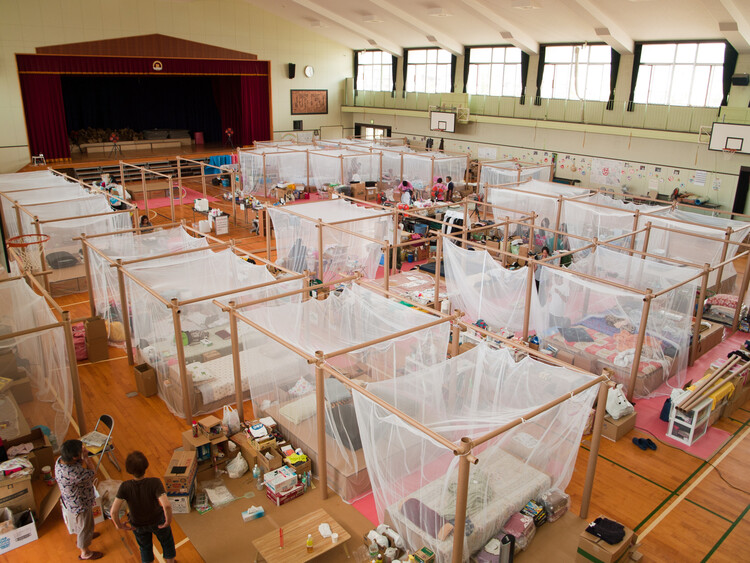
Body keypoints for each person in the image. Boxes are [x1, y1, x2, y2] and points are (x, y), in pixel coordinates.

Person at [111, 451, 176, 563]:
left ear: (129, 470)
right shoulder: (155, 482)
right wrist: (168, 521)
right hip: (157, 520)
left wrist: (119, 525)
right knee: (167, 542)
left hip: (137, 524)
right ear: (146, 466)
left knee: (145, 548)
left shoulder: (125, 486)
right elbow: (167, 505)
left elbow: (113, 511)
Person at [55, 439, 102, 560]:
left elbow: (78, 465)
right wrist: (86, 458)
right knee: (84, 526)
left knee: (82, 523)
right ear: (75, 457)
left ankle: (86, 536)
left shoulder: (60, 461)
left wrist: (80, 456)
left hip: (71, 500)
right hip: (81, 503)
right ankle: (85, 552)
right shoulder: (75, 473)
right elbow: (92, 472)